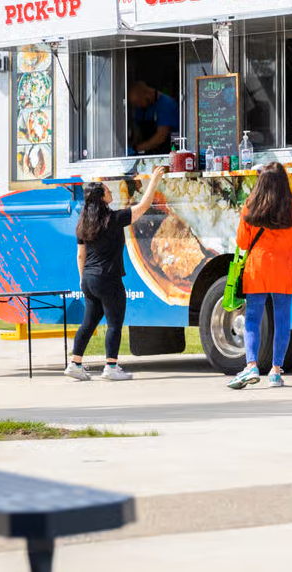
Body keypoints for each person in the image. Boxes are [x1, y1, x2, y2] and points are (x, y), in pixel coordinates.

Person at [66, 168, 166, 381]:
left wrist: (82, 279)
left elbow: (80, 256)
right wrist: (154, 181)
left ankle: (75, 363)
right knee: (114, 323)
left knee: (88, 322)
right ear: (102, 198)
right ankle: (111, 367)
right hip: (109, 279)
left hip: (89, 279)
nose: (110, 192)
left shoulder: (83, 224)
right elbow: (144, 207)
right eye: (107, 191)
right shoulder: (113, 218)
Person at [228, 162, 292, 390]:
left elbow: (242, 242)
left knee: (253, 318)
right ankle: (275, 372)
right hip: (285, 269)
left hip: (258, 269)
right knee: (283, 320)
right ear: (284, 182)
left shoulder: (251, 206)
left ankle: (251, 365)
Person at [128, 80, 179, 155]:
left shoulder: (166, 104)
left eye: (137, 102)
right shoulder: (141, 109)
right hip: (149, 151)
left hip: (167, 152)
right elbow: (139, 132)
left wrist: (137, 149)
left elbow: (161, 136)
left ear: (146, 94)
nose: (137, 106)